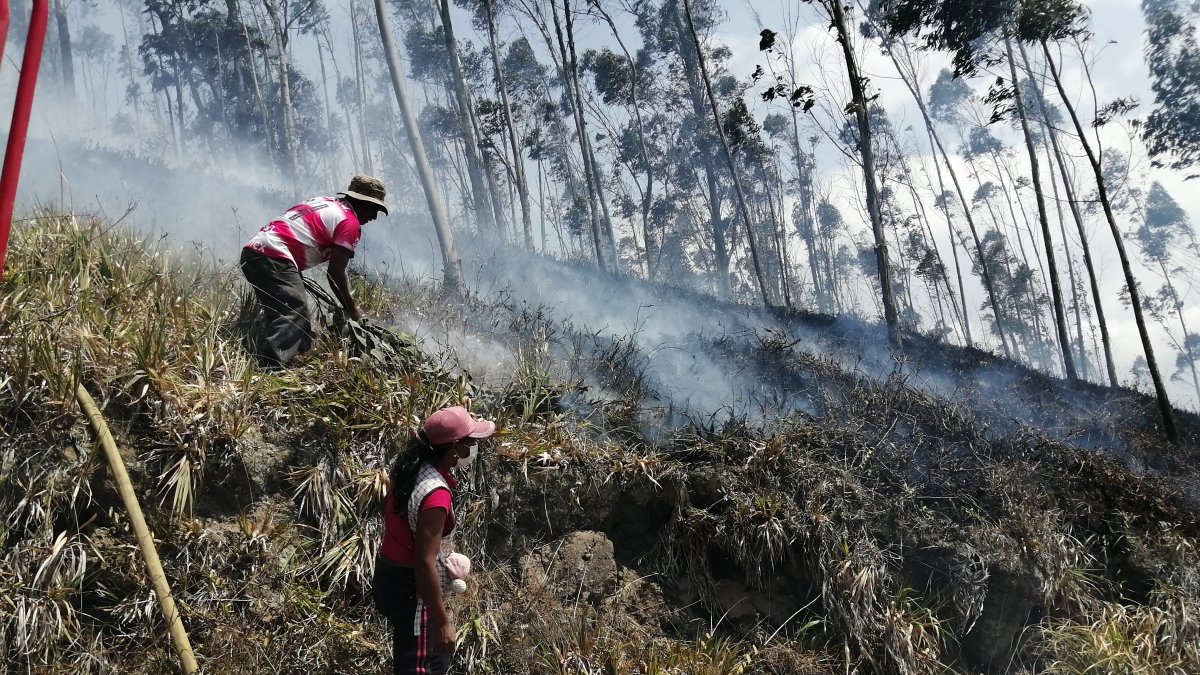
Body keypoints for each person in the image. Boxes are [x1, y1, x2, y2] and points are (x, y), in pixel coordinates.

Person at [373, 406, 495, 675]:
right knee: (424, 667)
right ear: (455, 448)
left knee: (425, 661)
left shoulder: (410, 470)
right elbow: (422, 562)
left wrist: (441, 552)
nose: (474, 447)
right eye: (471, 442)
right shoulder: (436, 493)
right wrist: (442, 622)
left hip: (389, 576)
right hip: (412, 591)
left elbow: (401, 524)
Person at [239, 174, 388, 368]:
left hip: (253, 252)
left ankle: (297, 358)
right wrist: (354, 311)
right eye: (373, 208)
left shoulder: (323, 202)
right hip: (275, 256)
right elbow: (335, 273)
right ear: (361, 202)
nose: (374, 216)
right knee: (295, 313)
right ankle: (271, 370)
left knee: (287, 312)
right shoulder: (349, 222)